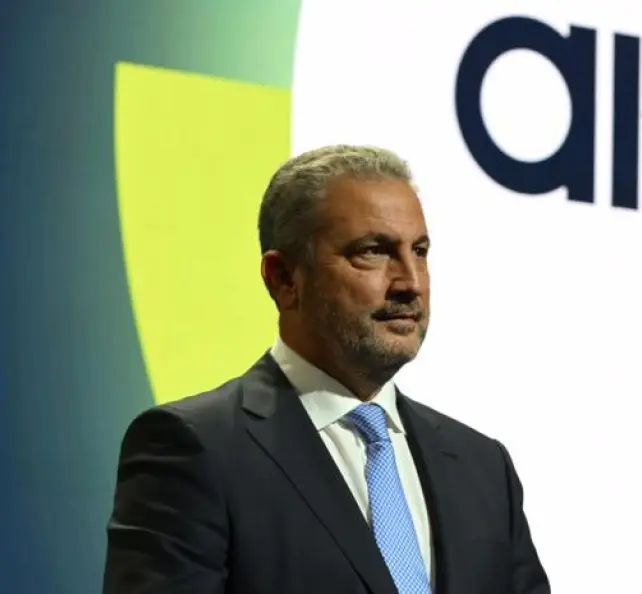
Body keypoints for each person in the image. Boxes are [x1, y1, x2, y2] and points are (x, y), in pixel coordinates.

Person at [102, 145, 550, 594]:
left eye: (419, 250)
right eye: (374, 251)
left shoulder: (482, 466)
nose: (410, 283)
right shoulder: (196, 449)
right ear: (284, 278)